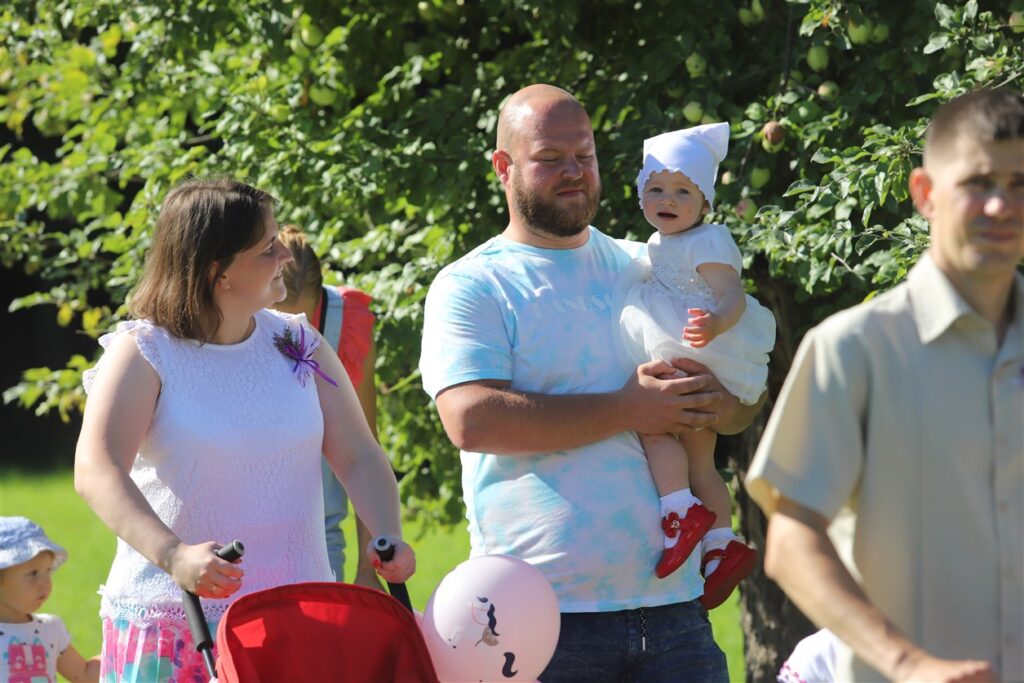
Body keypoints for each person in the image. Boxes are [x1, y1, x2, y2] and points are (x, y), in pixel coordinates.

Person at [419, 84, 764, 682]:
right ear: (503, 167)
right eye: (550, 158)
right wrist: (630, 409)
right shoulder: (472, 284)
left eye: (585, 155)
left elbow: (738, 410)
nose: (575, 172)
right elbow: (471, 420)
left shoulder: (651, 264)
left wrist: (717, 402)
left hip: (675, 612)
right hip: (538, 618)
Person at [74, 178, 415, 681]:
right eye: (267, 248)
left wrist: (387, 535)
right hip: (180, 627)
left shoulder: (300, 341)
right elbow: (96, 470)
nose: (286, 256)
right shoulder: (145, 352)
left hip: (297, 621)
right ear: (218, 271)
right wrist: (174, 555)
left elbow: (359, 455)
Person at [746, 87, 1023, 682]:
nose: (1001, 205)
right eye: (978, 183)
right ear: (925, 193)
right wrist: (909, 664)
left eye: (1019, 184)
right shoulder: (854, 351)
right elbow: (791, 544)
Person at [616, 123, 772, 605]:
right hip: (690, 350)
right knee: (701, 458)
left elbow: (733, 295)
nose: (667, 199)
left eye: (683, 191)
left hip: (698, 346)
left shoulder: (708, 241)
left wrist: (717, 323)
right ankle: (722, 544)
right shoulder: (657, 244)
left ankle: (679, 510)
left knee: (655, 425)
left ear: (705, 202)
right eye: (656, 189)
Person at [272, 224, 383, 590]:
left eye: (301, 325)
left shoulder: (346, 324)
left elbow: (366, 446)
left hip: (321, 533)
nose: (290, 335)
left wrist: (368, 569)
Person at [0, 516, 100, 683]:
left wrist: (124, 647)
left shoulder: (50, 629)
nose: (46, 583)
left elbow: (84, 674)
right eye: (33, 574)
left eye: (47, 571)